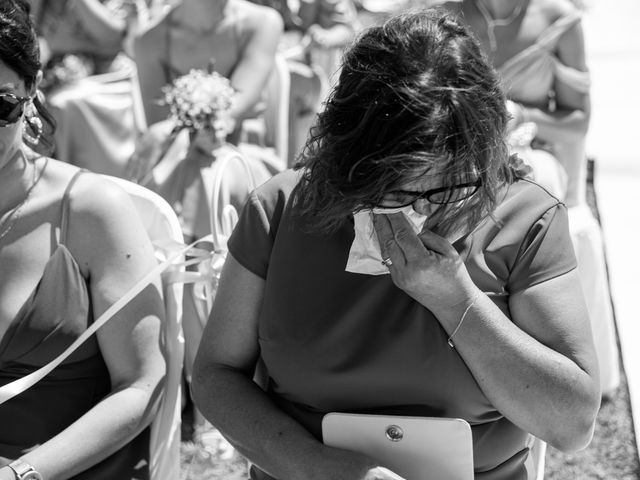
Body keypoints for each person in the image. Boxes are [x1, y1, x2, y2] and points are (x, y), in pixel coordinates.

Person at [191, 8, 601, 480]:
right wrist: (317, 467)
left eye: (450, 187)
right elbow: (215, 374)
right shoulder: (282, 208)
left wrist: (456, 302)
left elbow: (572, 425)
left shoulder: (525, 218)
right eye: (400, 189)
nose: (424, 210)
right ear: (351, 159)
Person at [0, 2, 166, 478]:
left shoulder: (91, 211)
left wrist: (23, 475)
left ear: (32, 89)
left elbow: (141, 385)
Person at [441, 0, 620, 397]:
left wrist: (519, 116)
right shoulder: (448, 13)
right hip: (465, 157)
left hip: (540, 153)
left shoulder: (560, 20)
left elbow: (578, 123)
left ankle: (534, 354)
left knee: (534, 176)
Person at [30, 0, 144, 177]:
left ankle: (71, 179)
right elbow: (39, 36)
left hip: (108, 79)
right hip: (56, 74)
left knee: (62, 103)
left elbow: (111, 39)